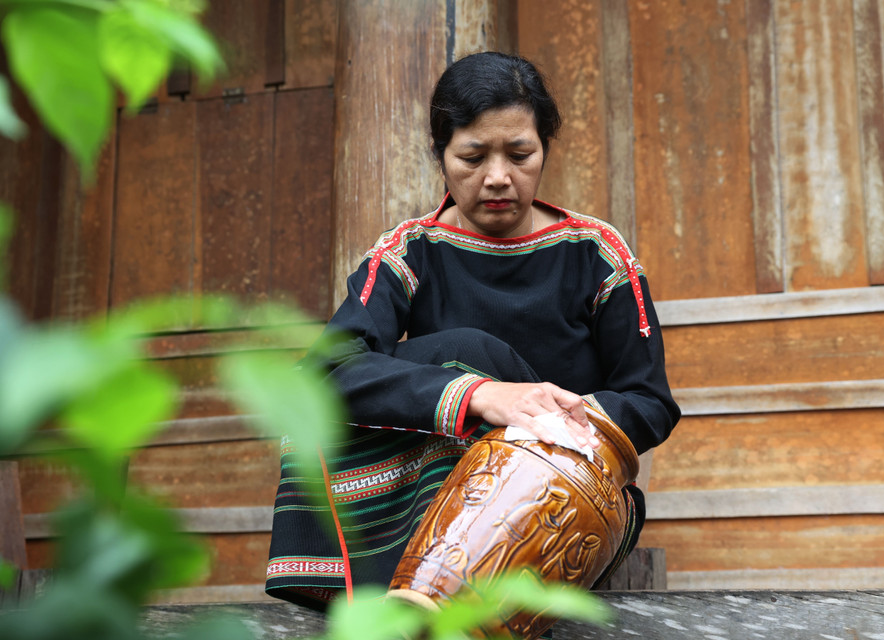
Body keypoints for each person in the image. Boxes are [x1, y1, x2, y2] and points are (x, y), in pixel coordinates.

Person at [265, 51, 680, 611]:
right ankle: (411, 591)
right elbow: (326, 369)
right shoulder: (409, 251)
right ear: (440, 155)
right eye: (472, 156)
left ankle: (432, 598)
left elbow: (650, 401)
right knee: (448, 360)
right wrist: (482, 395)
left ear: (545, 151)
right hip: (434, 494)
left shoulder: (598, 254)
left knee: (464, 353)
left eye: (520, 154)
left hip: (567, 493)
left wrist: (548, 421)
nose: (498, 178)